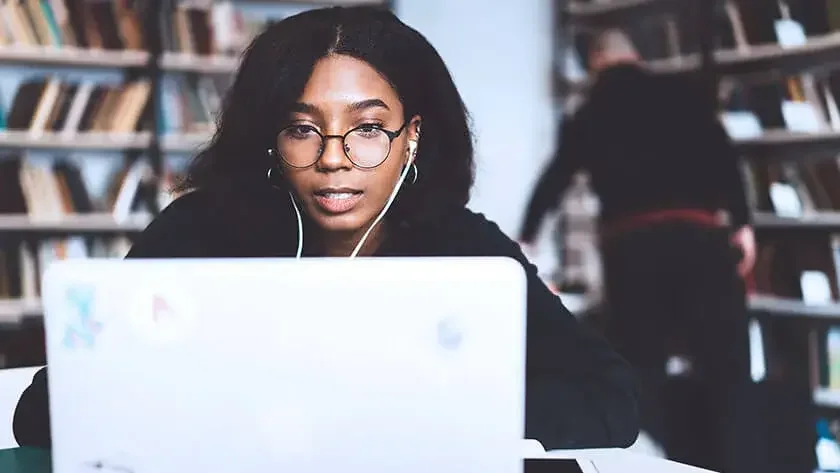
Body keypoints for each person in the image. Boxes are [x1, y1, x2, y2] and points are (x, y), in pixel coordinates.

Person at [13, 6, 639, 451]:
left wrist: (432, 416)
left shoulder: (465, 248)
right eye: (303, 128)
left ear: (412, 135)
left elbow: (611, 400)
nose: (333, 157)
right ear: (271, 138)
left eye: (368, 128)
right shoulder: (198, 233)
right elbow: (43, 412)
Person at [519, 30, 757, 472]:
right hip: (703, 240)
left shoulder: (592, 110)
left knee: (642, 371)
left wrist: (527, 236)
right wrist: (742, 223)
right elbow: (725, 156)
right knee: (725, 373)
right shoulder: (685, 96)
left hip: (635, 248)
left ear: (595, 62)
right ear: (636, 55)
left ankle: (659, 464)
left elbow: (555, 178)